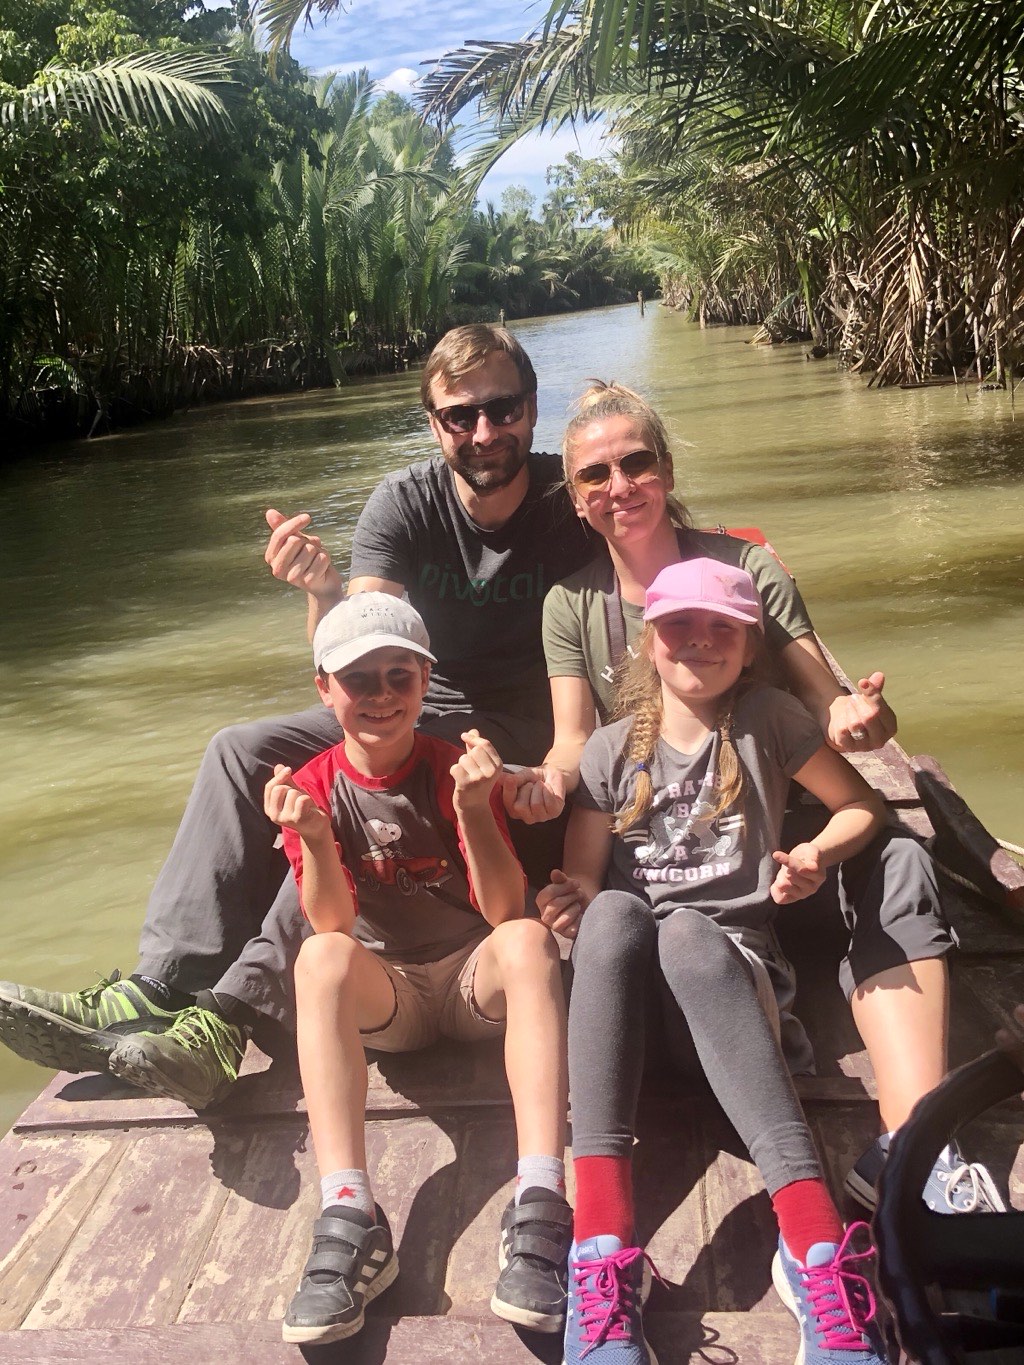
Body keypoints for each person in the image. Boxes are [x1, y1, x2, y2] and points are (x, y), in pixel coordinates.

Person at [0, 324, 592, 1108]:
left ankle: (227, 1017)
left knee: (352, 786)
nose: (484, 431)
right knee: (239, 749)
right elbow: (362, 660)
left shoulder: (570, 500)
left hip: (508, 735)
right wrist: (322, 596)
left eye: (502, 408)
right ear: (432, 423)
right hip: (411, 706)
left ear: (531, 406)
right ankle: (161, 984)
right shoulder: (405, 505)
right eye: (459, 414)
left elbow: (652, 557)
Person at [516, 381, 1003, 1214]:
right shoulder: (570, 603)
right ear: (577, 498)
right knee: (637, 931)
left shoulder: (750, 567)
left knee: (899, 861)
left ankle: (916, 1145)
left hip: (791, 848)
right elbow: (573, 739)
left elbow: (823, 696)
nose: (619, 486)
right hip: (677, 871)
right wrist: (546, 782)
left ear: (665, 468)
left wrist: (856, 717)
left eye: (636, 462)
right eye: (595, 475)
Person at [542, 558, 891, 1365]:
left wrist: (811, 853)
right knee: (619, 914)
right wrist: (565, 903)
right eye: (680, 628)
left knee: (690, 934)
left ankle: (815, 1253)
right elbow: (585, 885)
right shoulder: (605, 749)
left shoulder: (768, 718)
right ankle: (600, 1256)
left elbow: (861, 805)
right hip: (643, 1028)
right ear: (648, 643)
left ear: (746, 643)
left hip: (734, 990)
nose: (698, 642)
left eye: (720, 629)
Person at [262, 593, 572, 1345]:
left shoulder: (452, 766)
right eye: (358, 680)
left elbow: (503, 911)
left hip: (470, 981)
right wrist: (315, 838)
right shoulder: (313, 785)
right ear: (324, 689)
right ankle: (349, 1210)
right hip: (390, 995)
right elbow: (333, 922)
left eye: (398, 677)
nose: (379, 697)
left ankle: (542, 1194)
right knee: (321, 956)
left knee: (531, 940)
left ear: (425, 680)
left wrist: (473, 808)